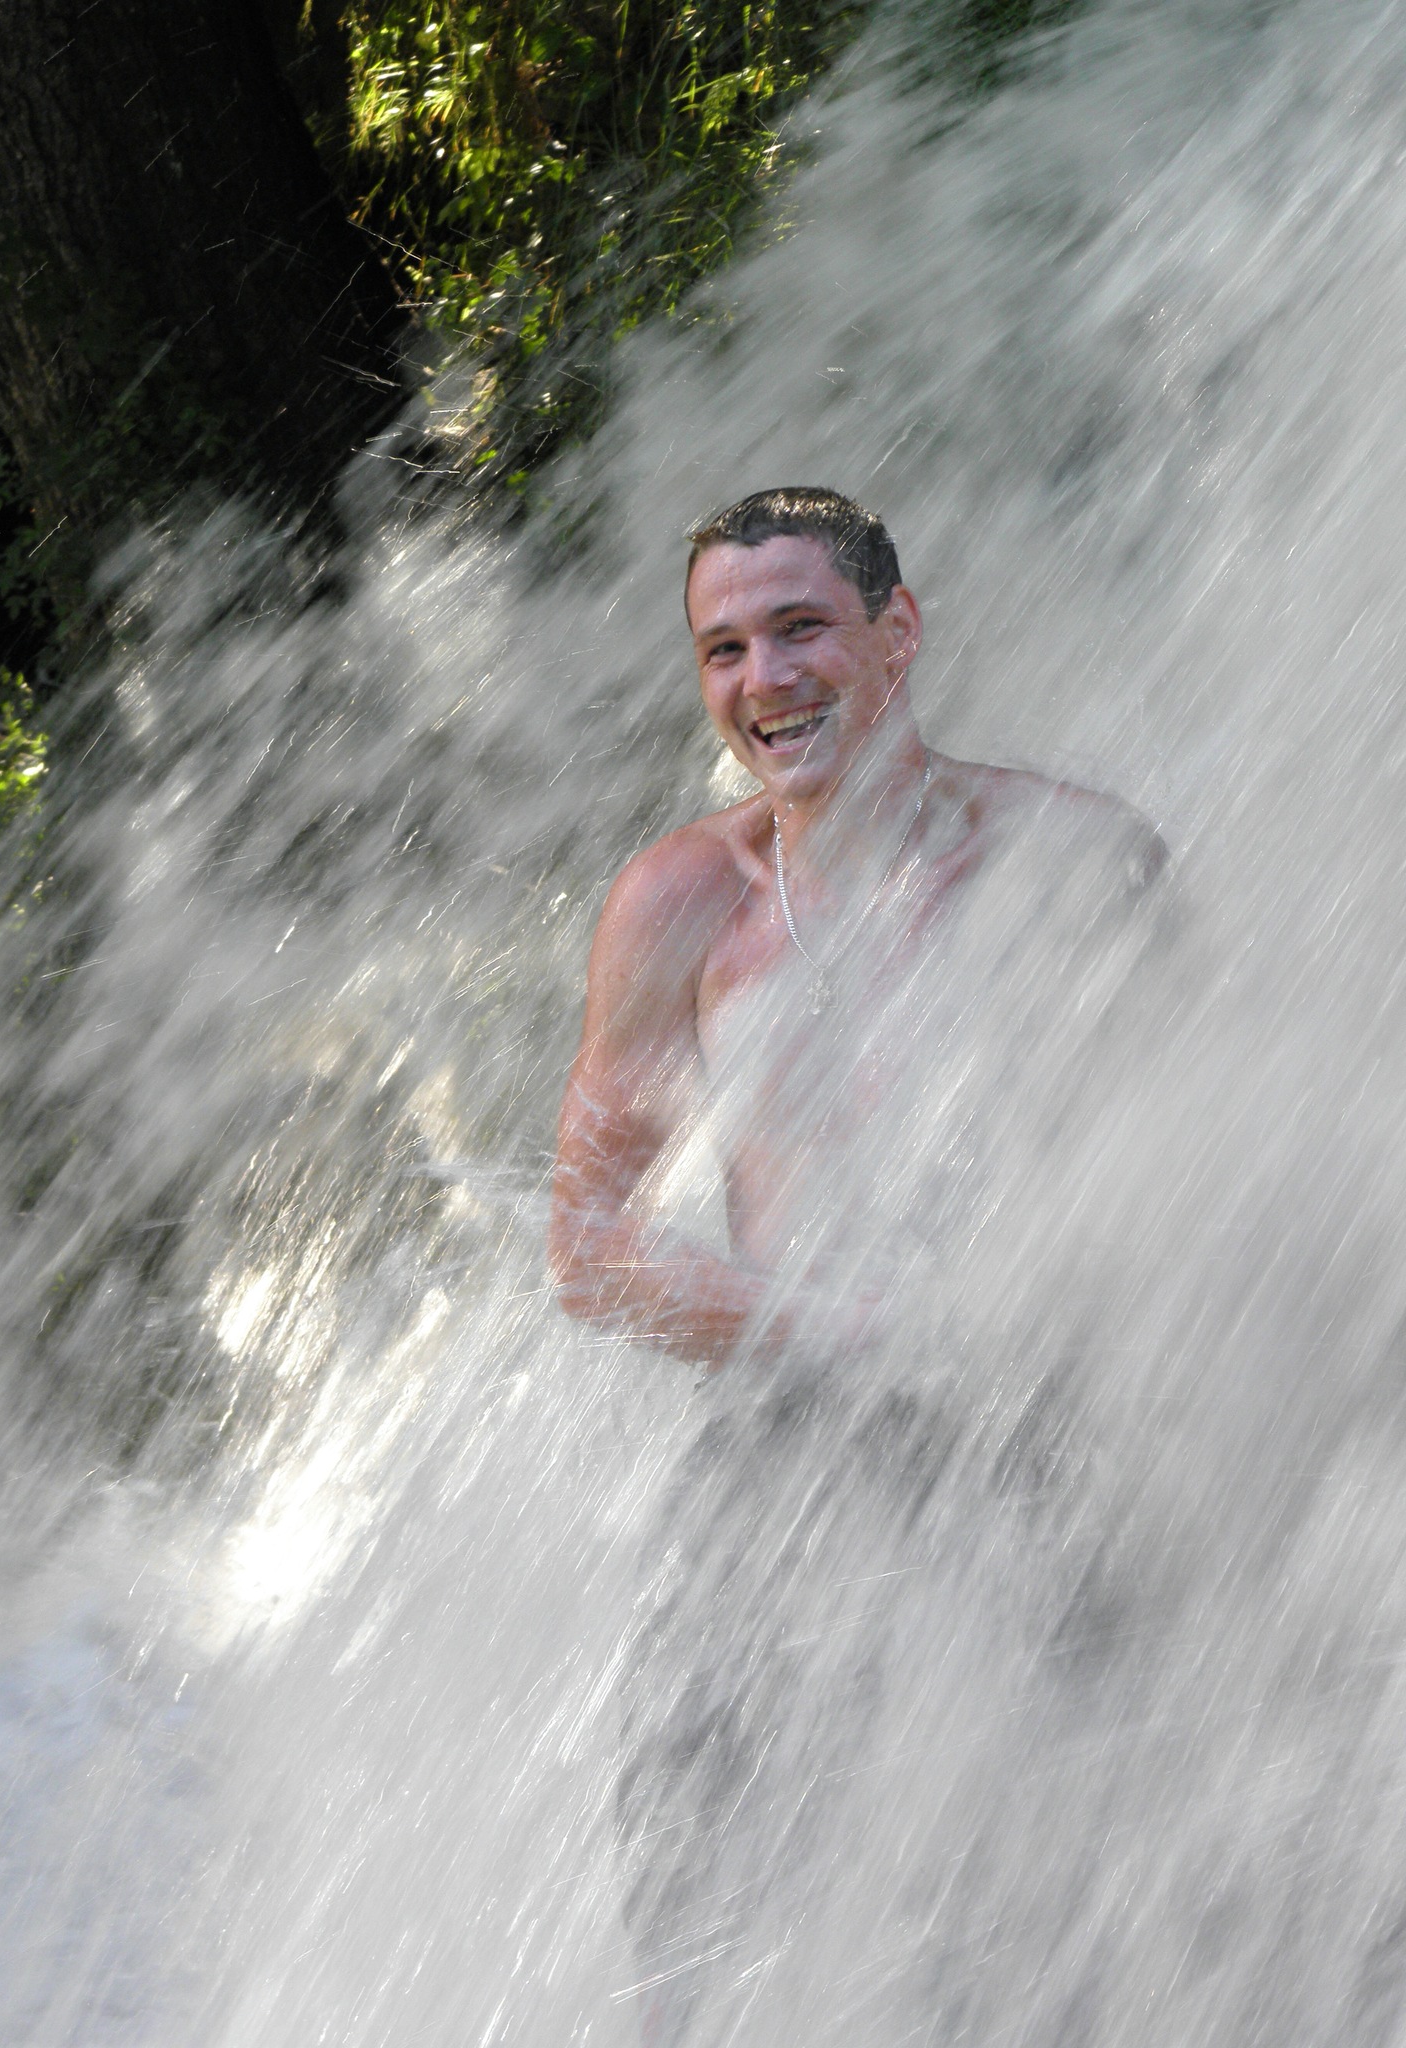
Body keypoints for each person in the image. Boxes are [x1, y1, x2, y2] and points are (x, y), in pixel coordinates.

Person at [547, 487, 1166, 2043]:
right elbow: (586, 1245)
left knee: (1054, 1909)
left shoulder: (1073, 856)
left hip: (1048, 1440)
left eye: (799, 629)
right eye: (724, 649)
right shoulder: (683, 904)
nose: (764, 680)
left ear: (897, 633)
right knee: (698, 1905)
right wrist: (836, 1327)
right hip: (785, 1445)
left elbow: (1206, 1171)